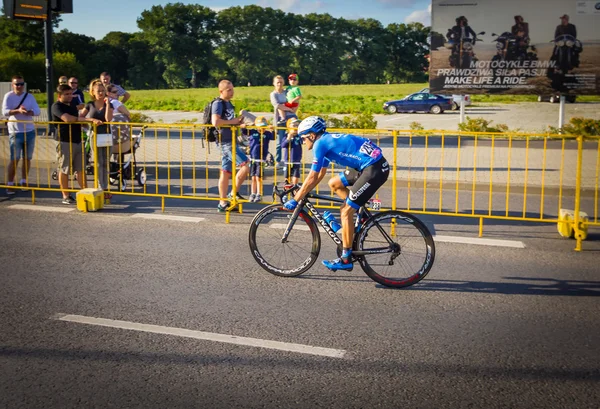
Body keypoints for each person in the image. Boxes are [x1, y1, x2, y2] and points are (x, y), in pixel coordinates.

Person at [283, 116, 390, 271]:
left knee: (345, 211)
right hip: (368, 166)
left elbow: (312, 176)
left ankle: (346, 259)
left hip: (373, 169)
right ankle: (362, 213)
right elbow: (318, 175)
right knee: (334, 183)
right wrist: (303, 190)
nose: (302, 142)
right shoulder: (324, 142)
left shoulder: (320, 144)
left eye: (303, 138)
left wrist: (296, 198)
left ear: (312, 135)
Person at [51, 84, 101, 204]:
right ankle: (66, 195)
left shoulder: (73, 104)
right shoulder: (56, 106)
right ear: (59, 96)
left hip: (78, 140)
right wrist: (88, 120)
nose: (70, 96)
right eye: (66, 94)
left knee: (81, 169)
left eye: (71, 94)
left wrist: (86, 125)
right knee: (64, 169)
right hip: (64, 141)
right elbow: (67, 119)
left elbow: (77, 119)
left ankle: (85, 192)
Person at [212, 80, 250, 212]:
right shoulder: (218, 103)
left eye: (232, 89)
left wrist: (238, 123)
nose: (231, 91)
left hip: (231, 140)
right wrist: (234, 121)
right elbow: (215, 121)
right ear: (221, 91)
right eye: (228, 90)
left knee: (225, 172)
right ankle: (232, 193)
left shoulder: (229, 104)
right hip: (225, 142)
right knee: (245, 165)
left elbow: (229, 122)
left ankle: (222, 203)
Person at [1, 75, 41, 194]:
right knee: (14, 158)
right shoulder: (8, 96)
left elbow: (38, 111)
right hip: (15, 131)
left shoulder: (29, 96)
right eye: (17, 84)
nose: (19, 86)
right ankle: (10, 183)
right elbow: (5, 112)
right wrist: (18, 111)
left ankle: (24, 180)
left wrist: (30, 112)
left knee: (27, 158)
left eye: (21, 84)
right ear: (12, 85)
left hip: (29, 131)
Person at [80, 79, 113, 202]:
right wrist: (92, 120)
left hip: (107, 135)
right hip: (95, 135)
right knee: (98, 162)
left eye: (103, 90)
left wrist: (108, 104)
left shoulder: (109, 103)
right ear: (93, 92)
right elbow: (81, 117)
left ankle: (105, 187)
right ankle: (101, 187)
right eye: (98, 91)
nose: (101, 93)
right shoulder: (90, 104)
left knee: (106, 161)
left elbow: (108, 119)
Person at [245, 116, 274, 203]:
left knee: (259, 177)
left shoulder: (267, 134)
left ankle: (259, 193)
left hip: (261, 159)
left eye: (263, 127)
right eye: (260, 127)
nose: (262, 129)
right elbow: (244, 130)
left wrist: (272, 129)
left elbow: (273, 136)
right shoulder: (253, 132)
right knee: (253, 177)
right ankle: (253, 193)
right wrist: (248, 125)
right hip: (253, 158)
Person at [270, 75, 296, 165]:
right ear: (274, 84)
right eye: (277, 82)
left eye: (281, 82)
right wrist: (288, 108)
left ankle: (290, 159)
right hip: (280, 119)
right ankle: (278, 160)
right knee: (280, 141)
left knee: (292, 138)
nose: (279, 84)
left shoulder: (287, 91)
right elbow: (277, 105)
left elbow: (294, 100)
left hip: (291, 116)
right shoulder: (273, 94)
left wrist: (292, 108)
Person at [281, 117, 302, 185]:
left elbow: (303, 142)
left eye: (297, 125)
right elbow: (283, 145)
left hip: (296, 160)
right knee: (287, 177)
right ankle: (286, 193)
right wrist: (288, 138)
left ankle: (294, 191)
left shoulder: (299, 136)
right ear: (289, 126)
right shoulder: (286, 135)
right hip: (288, 160)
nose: (295, 127)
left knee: (295, 177)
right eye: (294, 125)